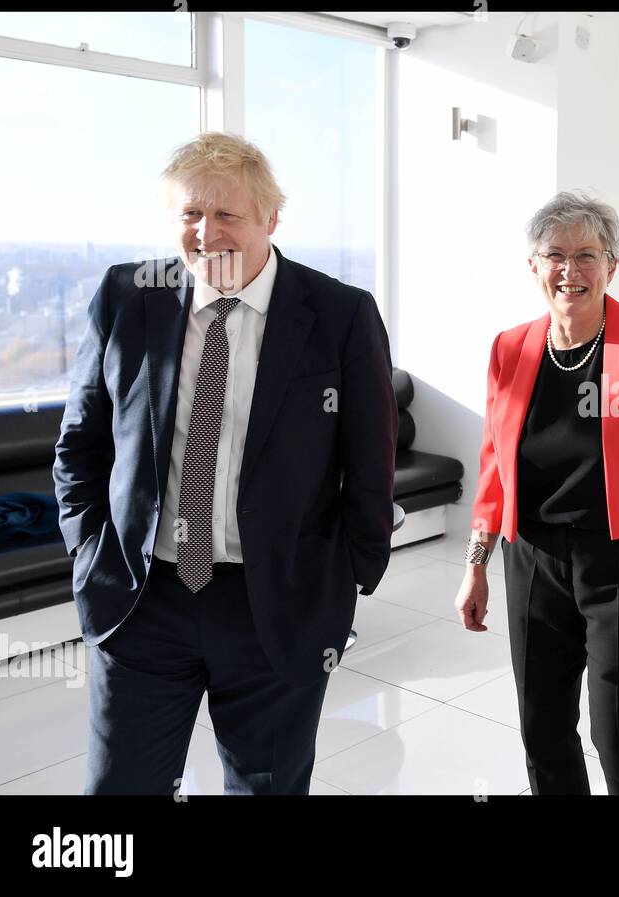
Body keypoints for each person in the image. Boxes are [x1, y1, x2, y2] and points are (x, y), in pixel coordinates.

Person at [53, 132, 398, 795]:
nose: (206, 233)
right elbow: (80, 445)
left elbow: (369, 465)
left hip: (275, 606)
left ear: (271, 217)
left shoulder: (338, 315)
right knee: (119, 788)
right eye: (190, 214)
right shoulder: (128, 297)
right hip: (142, 597)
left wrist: (345, 578)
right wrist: (88, 552)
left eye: (227, 214)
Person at [455, 191, 619, 795]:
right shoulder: (511, 348)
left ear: (612, 266)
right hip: (530, 561)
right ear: (533, 267)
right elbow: (493, 463)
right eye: (555, 255)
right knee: (542, 728)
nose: (571, 271)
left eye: (587, 255)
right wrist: (477, 564)